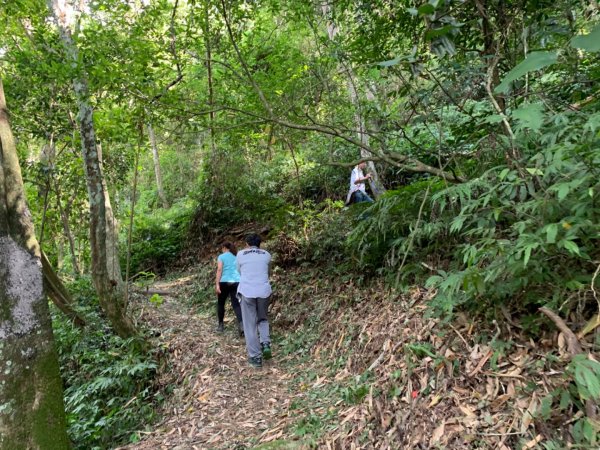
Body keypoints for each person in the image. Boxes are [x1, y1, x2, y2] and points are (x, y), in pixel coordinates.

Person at [236, 233, 272, 368]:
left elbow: (239, 271)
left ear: (247, 244)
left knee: (250, 325)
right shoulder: (266, 254)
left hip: (247, 291)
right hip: (263, 291)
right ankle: (266, 343)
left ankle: (255, 358)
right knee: (263, 318)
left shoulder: (240, 254)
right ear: (260, 243)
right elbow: (268, 271)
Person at [215, 242, 243, 335]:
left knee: (221, 303)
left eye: (222, 248)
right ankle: (241, 325)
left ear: (224, 248)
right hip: (236, 282)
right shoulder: (236, 257)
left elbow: (219, 269)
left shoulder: (221, 256)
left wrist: (217, 284)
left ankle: (220, 325)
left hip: (224, 281)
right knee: (236, 305)